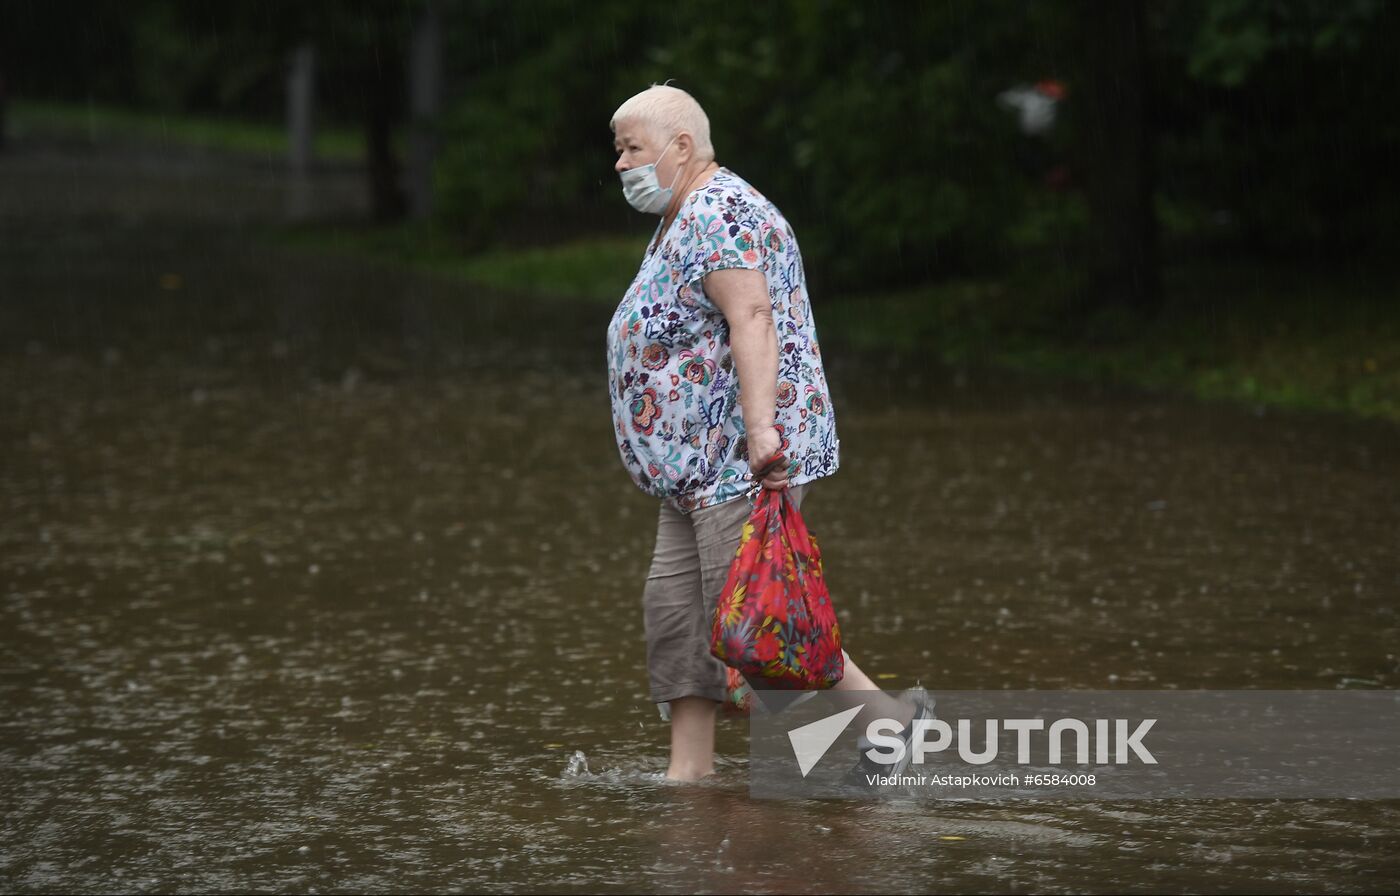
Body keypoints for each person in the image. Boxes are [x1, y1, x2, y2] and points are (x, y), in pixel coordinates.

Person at [605, 85, 928, 782]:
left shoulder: (720, 212)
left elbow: (752, 318)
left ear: (681, 146)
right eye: (620, 149)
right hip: (691, 471)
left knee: (758, 618)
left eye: (631, 148)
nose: (621, 164)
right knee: (677, 619)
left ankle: (891, 725)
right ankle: (688, 775)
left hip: (734, 460)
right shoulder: (684, 214)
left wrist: (760, 432)